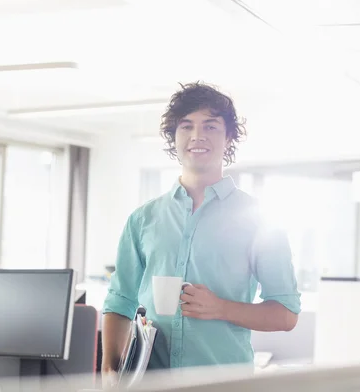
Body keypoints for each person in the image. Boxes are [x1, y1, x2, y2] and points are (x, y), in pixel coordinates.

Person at [101, 82, 301, 379]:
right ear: (174, 136)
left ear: (229, 136)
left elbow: (286, 314)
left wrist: (220, 308)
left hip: (223, 383)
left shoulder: (259, 221)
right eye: (186, 126)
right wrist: (110, 368)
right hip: (151, 384)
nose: (197, 136)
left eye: (210, 127)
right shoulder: (143, 219)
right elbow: (120, 300)